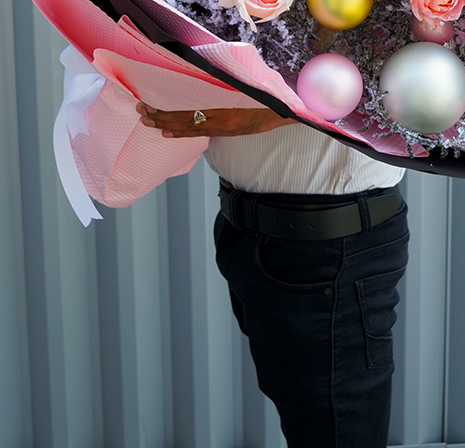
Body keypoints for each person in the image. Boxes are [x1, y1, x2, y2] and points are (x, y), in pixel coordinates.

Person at [137, 102, 409, 448]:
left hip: (325, 247)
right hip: (252, 233)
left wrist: (263, 114)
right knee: (308, 416)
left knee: (334, 432)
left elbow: (389, 87)